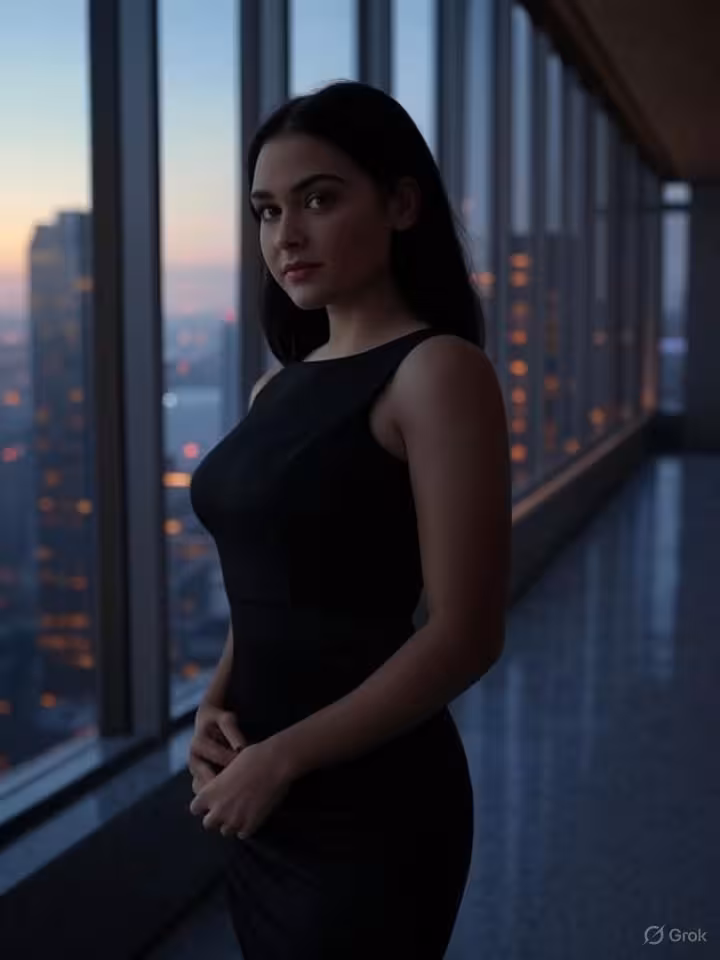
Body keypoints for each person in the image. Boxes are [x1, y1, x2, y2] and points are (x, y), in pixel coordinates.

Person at [187, 80, 511, 959]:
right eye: (265, 211)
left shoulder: (437, 372)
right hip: (265, 789)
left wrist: (282, 758)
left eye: (318, 200)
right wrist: (216, 703)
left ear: (403, 203)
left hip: (372, 801)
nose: (284, 236)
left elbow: (467, 634)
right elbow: (275, 582)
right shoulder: (277, 385)